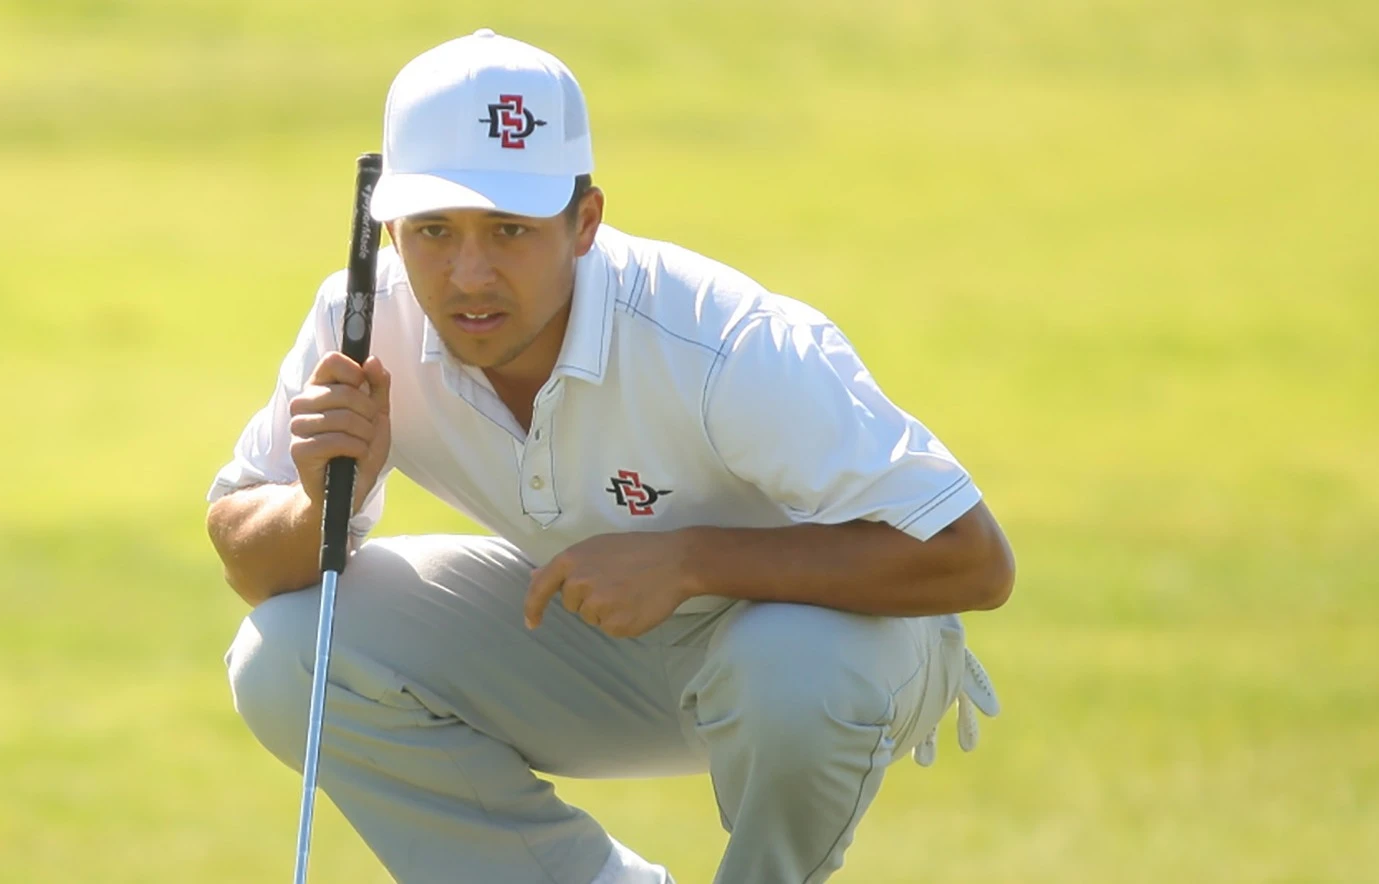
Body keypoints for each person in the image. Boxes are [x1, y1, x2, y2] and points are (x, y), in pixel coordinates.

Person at [205, 28, 1013, 884]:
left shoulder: (722, 340)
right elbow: (250, 558)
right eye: (434, 229)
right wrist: (315, 500)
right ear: (390, 229)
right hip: (605, 641)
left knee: (792, 667)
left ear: (583, 222)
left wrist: (690, 560)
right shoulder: (363, 319)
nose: (469, 274)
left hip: (840, 642)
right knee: (290, 650)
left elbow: (972, 560)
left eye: (509, 229)